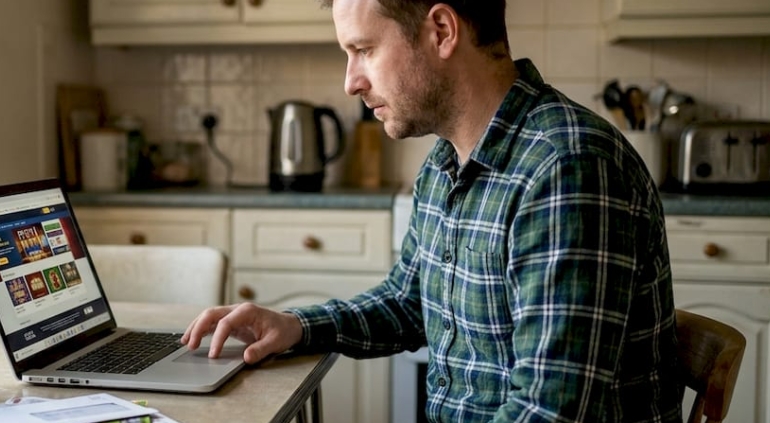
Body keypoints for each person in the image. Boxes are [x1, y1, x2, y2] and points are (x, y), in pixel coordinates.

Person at [179, 0, 682, 421]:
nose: (350, 83)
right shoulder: (446, 162)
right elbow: (410, 301)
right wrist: (296, 326)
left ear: (441, 31)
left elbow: (547, 411)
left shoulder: (565, 168)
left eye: (363, 50)